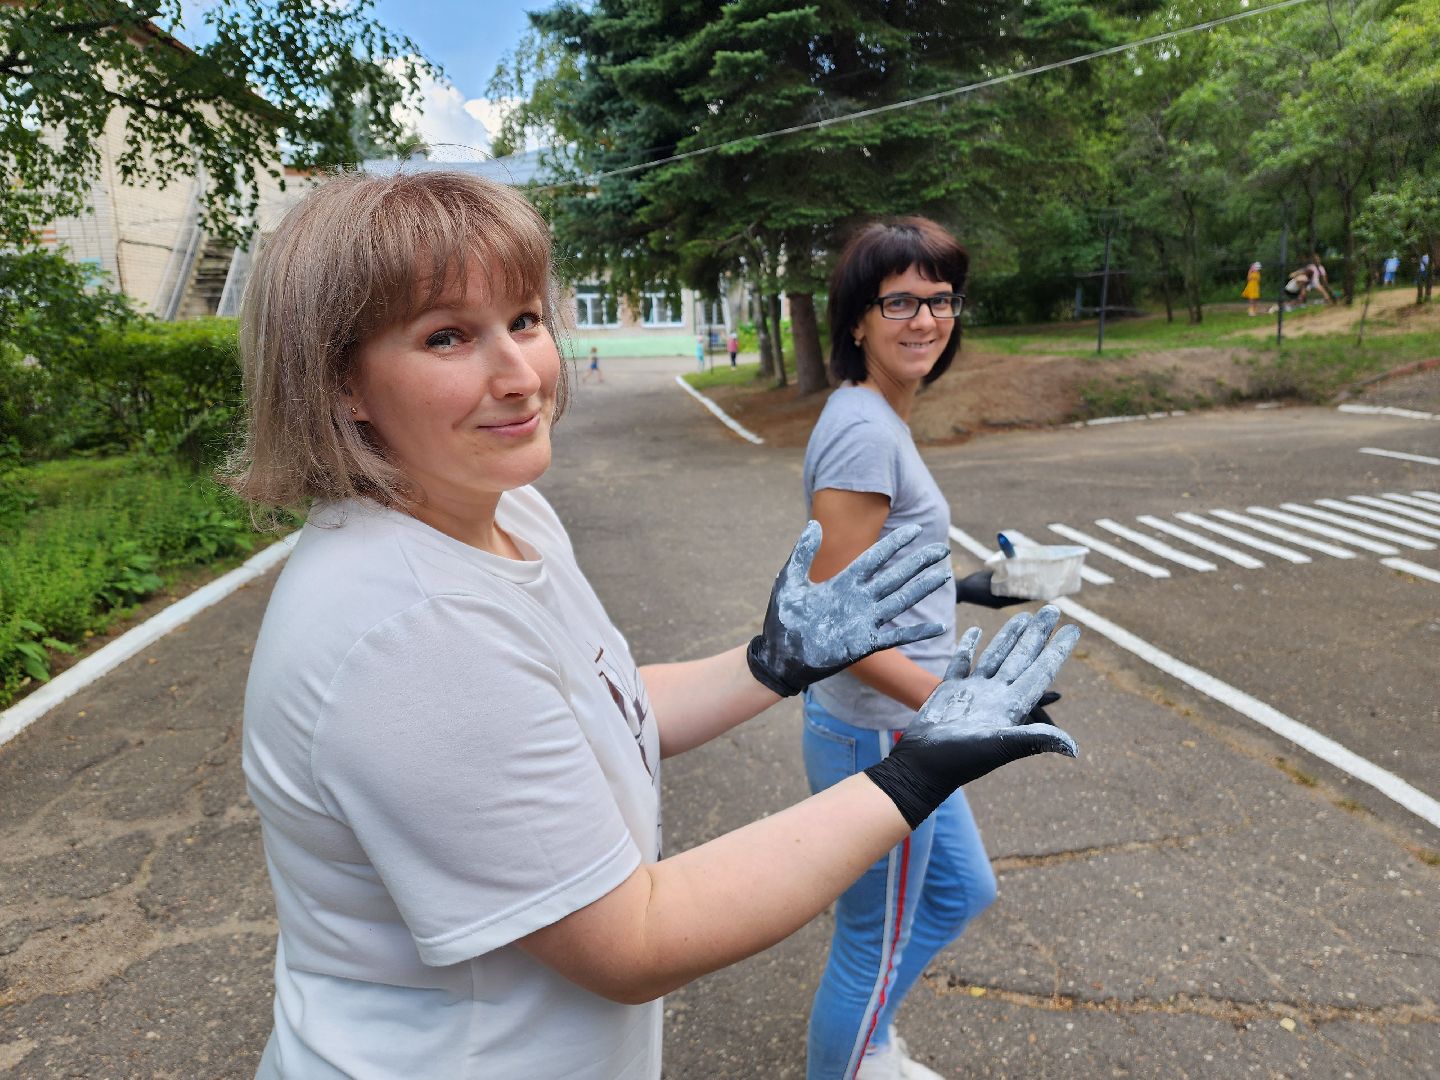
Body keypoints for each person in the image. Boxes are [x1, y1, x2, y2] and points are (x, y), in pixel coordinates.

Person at [224, 171, 1081, 1080]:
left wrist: (771, 662)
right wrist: (916, 772)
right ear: (341, 381)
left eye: (523, 319)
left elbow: (608, 708)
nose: (520, 376)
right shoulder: (406, 631)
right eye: (446, 336)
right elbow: (631, 938)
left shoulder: (507, 514)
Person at [799, 217, 1050, 1080]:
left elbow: (875, 571)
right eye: (900, 299)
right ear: (858, 319)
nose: (926, 319)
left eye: (940, 299)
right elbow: (828, 627)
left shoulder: (876, 418)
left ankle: (866, 1034)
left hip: (902, 723)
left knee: (958, 891)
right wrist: (953, 706)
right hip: (880, 731)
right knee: (872, 941)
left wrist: (972, 586)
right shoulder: (865, 428)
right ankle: (857, 1050)